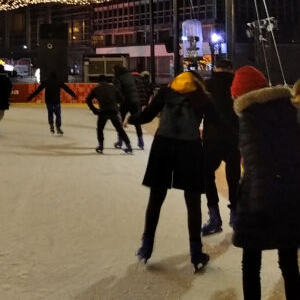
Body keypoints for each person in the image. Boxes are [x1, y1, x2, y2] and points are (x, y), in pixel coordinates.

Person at [128, 72, 220, 272]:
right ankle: (196, 253)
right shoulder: (202, 98)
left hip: (163, 147)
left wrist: (131, 118)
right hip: (190, 149)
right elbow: (219, 123)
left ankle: (146, 247)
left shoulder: (164, 93)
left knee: (156, 199)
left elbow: (147, 116)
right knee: (193, 202)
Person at [229, 66, 300, 299]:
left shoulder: (250, 117)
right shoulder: (288, 109)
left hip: (259, 201)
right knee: (289, 262)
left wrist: (259, 207)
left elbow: (257, 163)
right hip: (290, 196)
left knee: (251, 264)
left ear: (241, 94)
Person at [200, 59, 240, 236]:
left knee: (206, 173)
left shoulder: (207, 85)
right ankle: (236, 216)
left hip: (212, 138)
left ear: (216, 69)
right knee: (234, 178)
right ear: (231, 70)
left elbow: (197, 110)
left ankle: (214, 215)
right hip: (234, 138)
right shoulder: (237, 85)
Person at [86, 75, 132, 154]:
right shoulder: (113, 87)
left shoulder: (96, 88)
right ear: (106, 80)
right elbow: (122, 99)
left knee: (100, 129)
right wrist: (115, 104)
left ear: (99, 81)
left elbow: (88, 99)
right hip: (114, 111)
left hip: (103, 112)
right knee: (120, 129)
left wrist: (94, 109)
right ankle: (129, 147)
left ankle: (100, 147)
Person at [26, 71, 77, 135]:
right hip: (56, 102)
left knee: (50, 114)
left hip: (48, 101)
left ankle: (51, 126)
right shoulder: (58, 81)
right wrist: (74, 95)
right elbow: (67, 89)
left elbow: (38, 90)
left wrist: (30, 97)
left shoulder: (46, 82)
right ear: (56, 76)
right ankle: (58, 128)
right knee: (58, 115)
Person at [113, 66, 145, 149]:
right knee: (137, 121)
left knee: (121, 121)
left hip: (125, 102)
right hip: (135, 101)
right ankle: (141, 141)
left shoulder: (118, 78)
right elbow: (139, 86)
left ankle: (120, 141)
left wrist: (118, 101)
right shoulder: (132, 76)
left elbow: (117, 90)